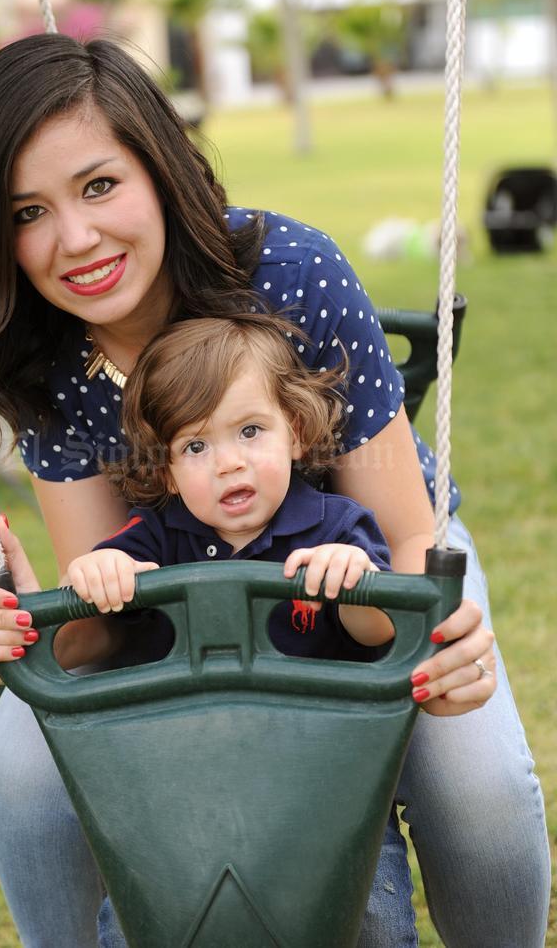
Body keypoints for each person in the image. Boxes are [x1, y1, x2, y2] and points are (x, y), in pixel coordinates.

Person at [0, 34, 548, 948]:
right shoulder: (45, 349)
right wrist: (26, 622)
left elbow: (404, 533)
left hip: (366, 565)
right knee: (21, 768)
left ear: (160, 170)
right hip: (173, 584)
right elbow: (100, 624)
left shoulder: (291, 275)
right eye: (27, 211)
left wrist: (435, 634)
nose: (76, 240)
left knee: (480, 788)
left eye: (100, 186)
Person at [64, 312, 410, 947]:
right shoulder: (157, 538)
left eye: (250, 431)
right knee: (145, 922)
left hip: (329, 785)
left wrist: (354, 579)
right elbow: (93, 605)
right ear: (166, 470)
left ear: (296, 433)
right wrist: (100, 571)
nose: (228, 464)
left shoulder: (336, 527)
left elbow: (378, 632)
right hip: (178, 795)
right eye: (196, 447)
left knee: (370, 917)